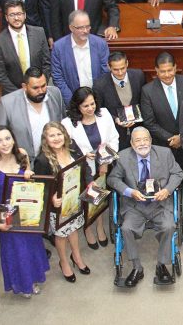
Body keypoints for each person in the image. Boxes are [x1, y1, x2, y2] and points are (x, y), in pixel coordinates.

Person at [107, 127, 182, 287]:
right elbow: (112, 179)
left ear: (151, 140)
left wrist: (167, 190)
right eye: (138, 140)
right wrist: (130, 191)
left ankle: (161, 265)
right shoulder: (123, 157)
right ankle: (136, 267)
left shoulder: (165, 153)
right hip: (135, 205)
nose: (142, 143)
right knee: (126, 228)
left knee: (169, 226)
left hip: (160, 203)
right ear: (132, 143)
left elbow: (178, 173)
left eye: (145, 139)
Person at [0, 126, 49, 297]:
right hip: (7, 213)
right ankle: (22, 284)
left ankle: (33, 278)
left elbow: (30, 183)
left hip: (26, 209)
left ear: (13, 139)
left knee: (31, 246)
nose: (5, 144)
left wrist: (29, 175)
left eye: (7, 138)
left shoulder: (22, 154)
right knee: (17, 251)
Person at [61, 86, 118, 248]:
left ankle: (99, 226)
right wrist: (83, 156)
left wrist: (105, 161)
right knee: (87, 200)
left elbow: (114, 138)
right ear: (77, 106)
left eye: (92, 104)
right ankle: (87, 228)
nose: (90, 108)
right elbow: (65, 150)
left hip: (103, 166)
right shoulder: (67, 123)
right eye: (85, 106)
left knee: (99, 199)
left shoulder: (104, 114)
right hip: (82, 170)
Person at [33, 122, 91, 282]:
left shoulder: (72, 147)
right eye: (51, 135)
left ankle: (76, 257)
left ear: (64, 134)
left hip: (75, 199)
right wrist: (51, 198)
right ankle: (64, 262)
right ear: (45, 139)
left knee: (73, 229)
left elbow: (83, 166)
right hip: (57, 206)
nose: (56, 138)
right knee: (61, 234)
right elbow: (40, 186)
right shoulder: (42, 160)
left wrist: (89, 185)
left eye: (59, 134)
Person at [140, 52, 183, 212]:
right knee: (166, 182)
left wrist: (182, 137)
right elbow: (149, 122)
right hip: (164, 146)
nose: (167, 75)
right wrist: (171, 138)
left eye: (170, 70)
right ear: (156, 71)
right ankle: (168, 213)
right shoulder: (148, 90)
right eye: (162, 71)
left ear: (175, 68)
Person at [0, 67, 65, 160]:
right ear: (24, 87)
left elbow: (63, 124)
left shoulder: (55, 94)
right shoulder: (7, 103)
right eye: (35, 88)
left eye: (43, 86)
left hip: (54, 158)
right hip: (23, 161)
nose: (41, 91)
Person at [0, 0, 51, 95]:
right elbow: (1, 75)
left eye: (19, 14)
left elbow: (46, 63)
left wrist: (39, 87)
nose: (16, 18)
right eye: (12, 15)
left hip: (39, 92)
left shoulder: (39, 33)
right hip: (13, 94)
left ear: (25, 15)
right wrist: (20, 94)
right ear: (6, 17)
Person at [51, 10, 110, 104]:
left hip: (97, 100)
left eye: (87, 26)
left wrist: (94, 100)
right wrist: (73, 102)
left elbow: (105, 72)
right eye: (81, 28)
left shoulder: (100, 44)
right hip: (72, 101)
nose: (85, 31)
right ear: (71, 28)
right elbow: (58, 78)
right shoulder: (59, 47)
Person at [93, 51, 146, 150]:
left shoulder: (138, 75)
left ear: (127, 63)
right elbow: (99, 109)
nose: (120, 73)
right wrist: (115, 119)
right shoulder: (100, 85)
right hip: (116, 133)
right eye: (116, 70)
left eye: (123, 68)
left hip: (138, 130)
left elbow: (144, 100)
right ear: (109, 67)